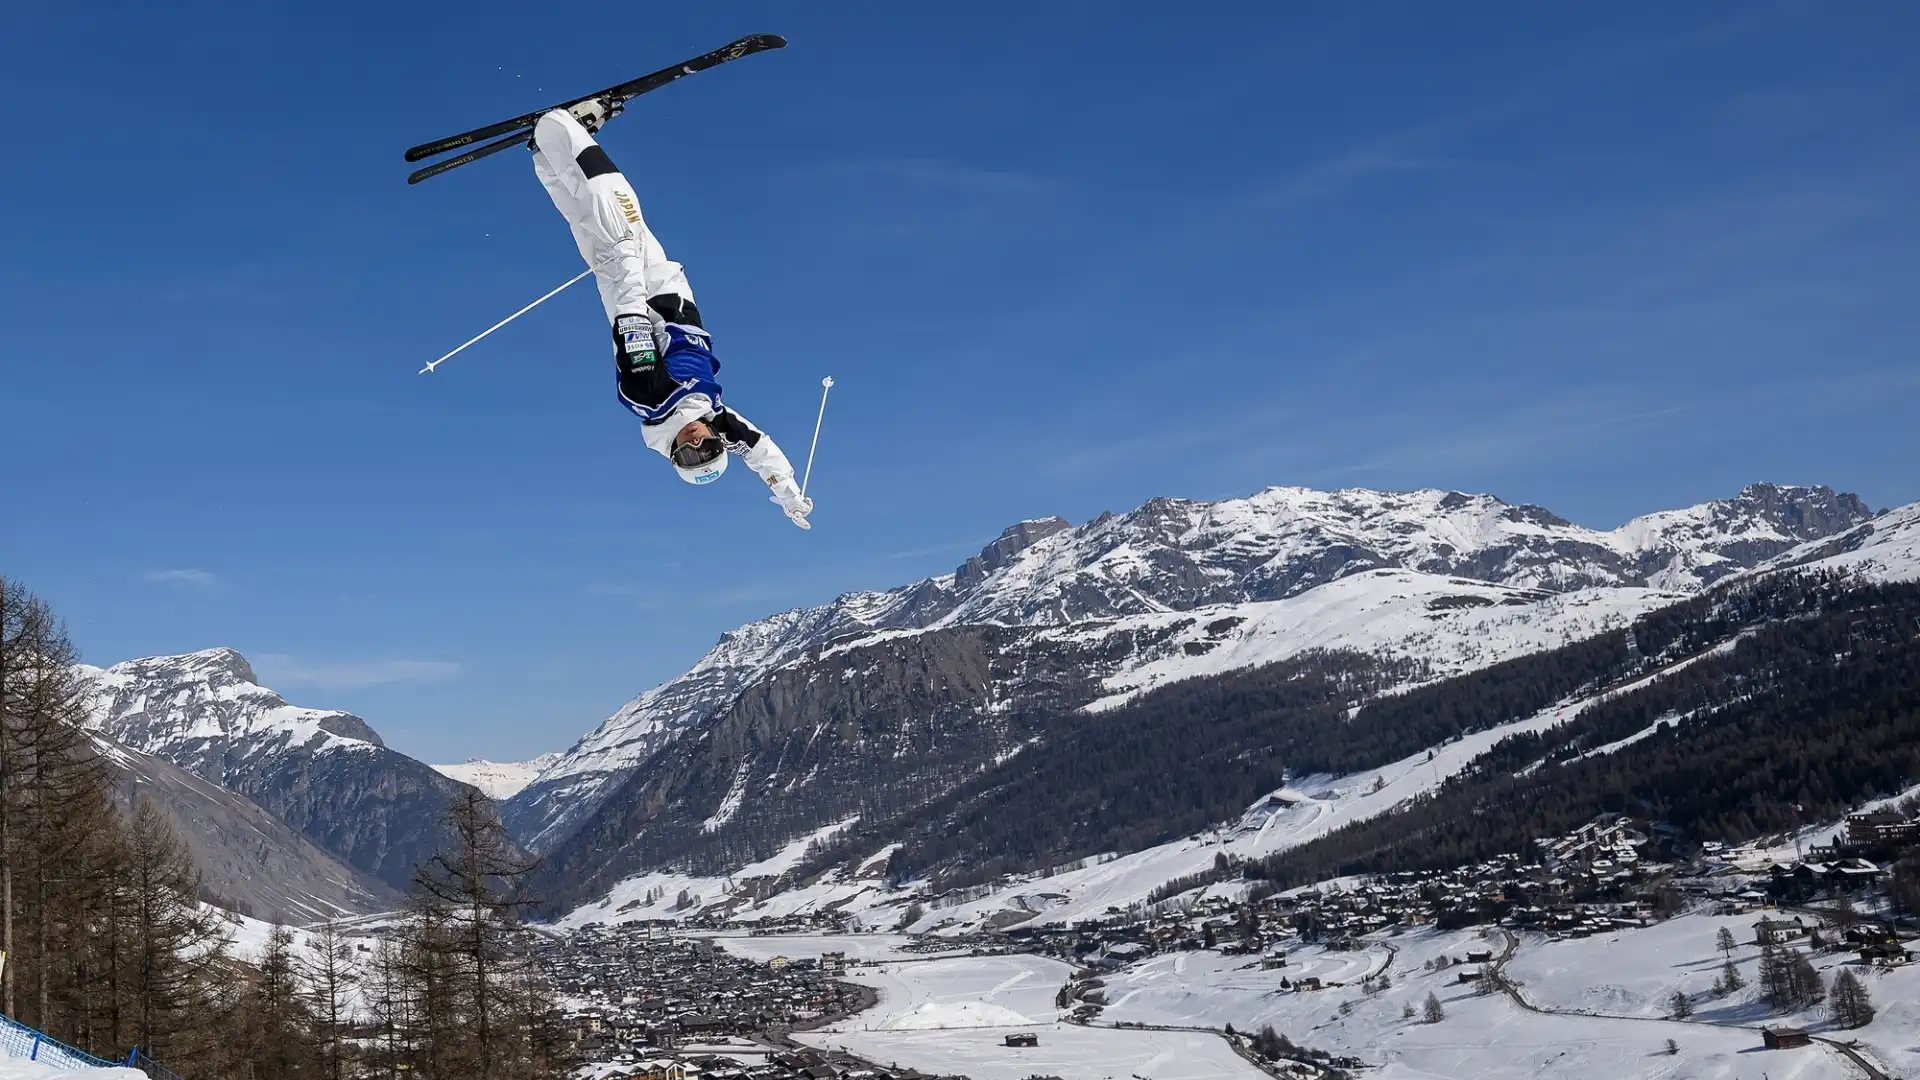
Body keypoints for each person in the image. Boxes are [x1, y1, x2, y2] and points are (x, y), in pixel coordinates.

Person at [529, 104, 813, 529]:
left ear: (673, 453)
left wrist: (625, 262)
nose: (697, 443)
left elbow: (630, 323)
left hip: (640, 284)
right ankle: (547, 152)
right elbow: (759, 449)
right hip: (666, 287)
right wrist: (788, 493)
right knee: (586, 213)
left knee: (615, 197)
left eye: (688, 454)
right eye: (708, 451)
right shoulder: (714, 417)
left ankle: (562, 124)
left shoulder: (650, 396)